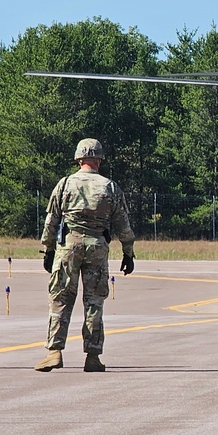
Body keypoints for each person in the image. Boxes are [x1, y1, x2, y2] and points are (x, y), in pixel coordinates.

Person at [35, 138, 136, 373]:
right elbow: (123, 225)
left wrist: (48, 249)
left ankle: (54, 352)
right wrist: (128, 253)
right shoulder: (110, 187)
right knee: (94, 303)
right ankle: (92, 356)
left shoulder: (65, 184)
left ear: (79, 159)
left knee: (60, 299)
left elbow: (51, 221)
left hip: (69, 246)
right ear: (99, 160)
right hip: (97, 246)